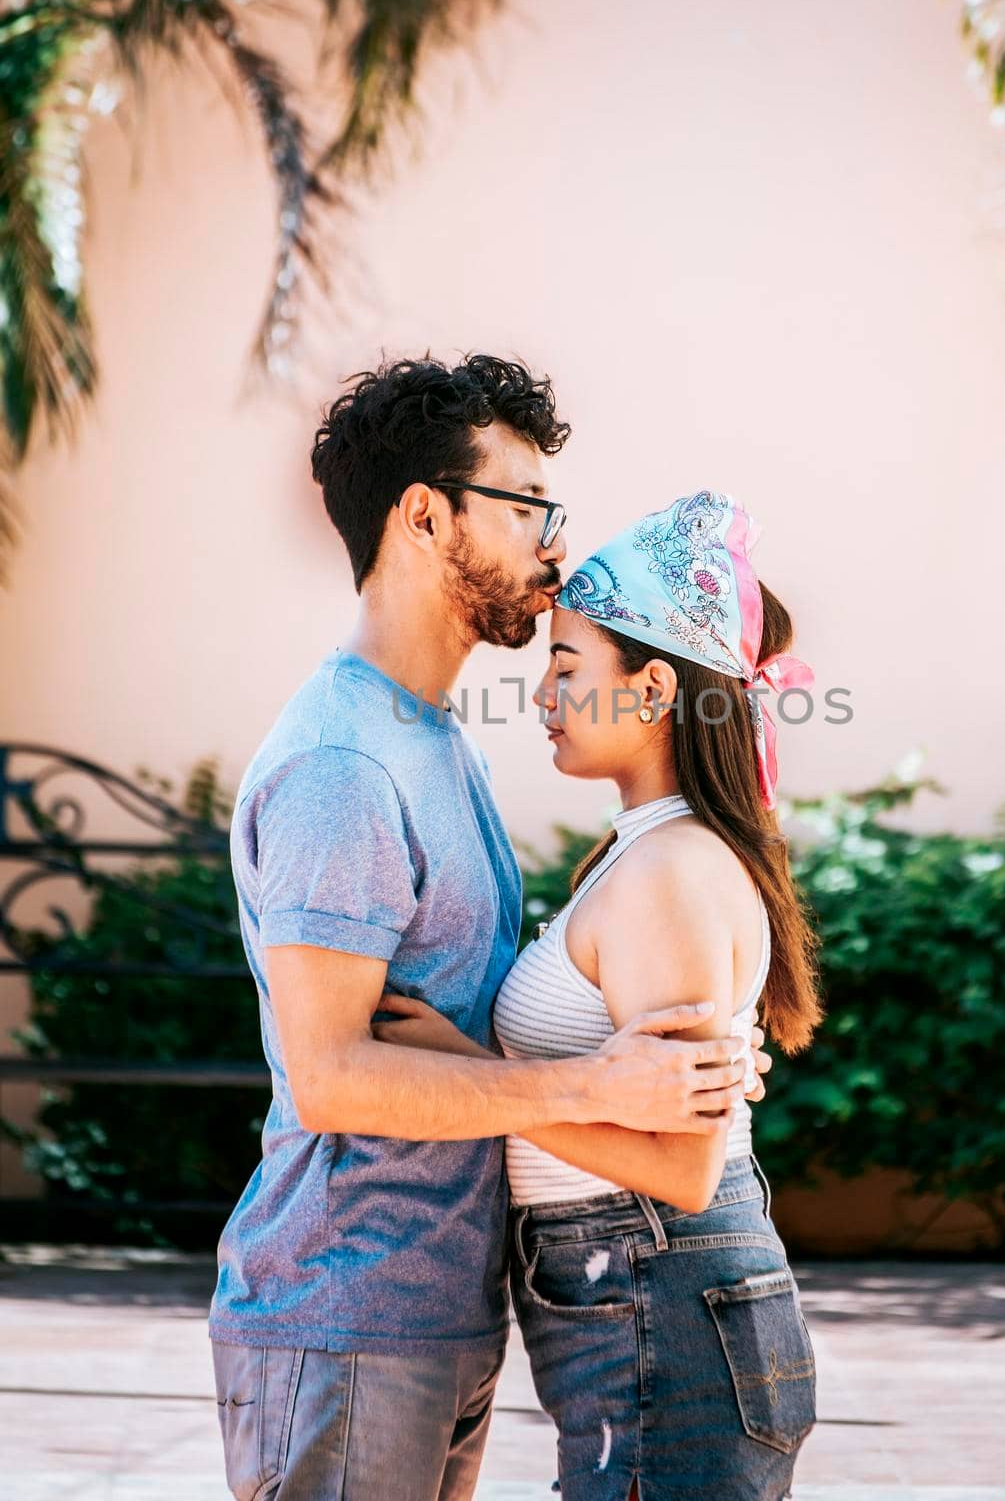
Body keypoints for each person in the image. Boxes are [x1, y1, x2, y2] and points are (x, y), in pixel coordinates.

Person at [207, 358, 771, 1501]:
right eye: (527, 509)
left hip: (441, 1315)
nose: (553, 548)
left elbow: (483, 1004)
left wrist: (692, 1054)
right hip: (344, 1311)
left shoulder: (432, 742)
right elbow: (329, 1077)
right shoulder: (343, 763)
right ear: (426, 514)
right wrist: (600, 1088)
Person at [376, 489, 823, 1499]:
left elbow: (683, 1164)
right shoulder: (641, 855)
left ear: (653, 686)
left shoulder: (669, 871)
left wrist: (469, 1070)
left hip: (658, 1287)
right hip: (642, 1294)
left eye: (566, 668)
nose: (542, 697)